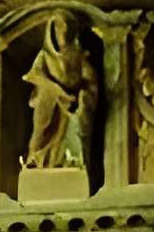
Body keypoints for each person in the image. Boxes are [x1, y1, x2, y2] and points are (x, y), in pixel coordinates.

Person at [21, 12, 98, 169]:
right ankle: (35, 159)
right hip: (47, 100)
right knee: (41, 132)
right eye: (58, 26)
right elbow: (34, 74)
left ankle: (63, 162)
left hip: (71, 105)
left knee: (66, 134)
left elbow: (89, 78)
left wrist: (82, 95)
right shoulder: (45, 55)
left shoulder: (77, 54)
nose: (63, 30)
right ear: (52, 30)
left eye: (65, 26)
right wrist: (57, 89)